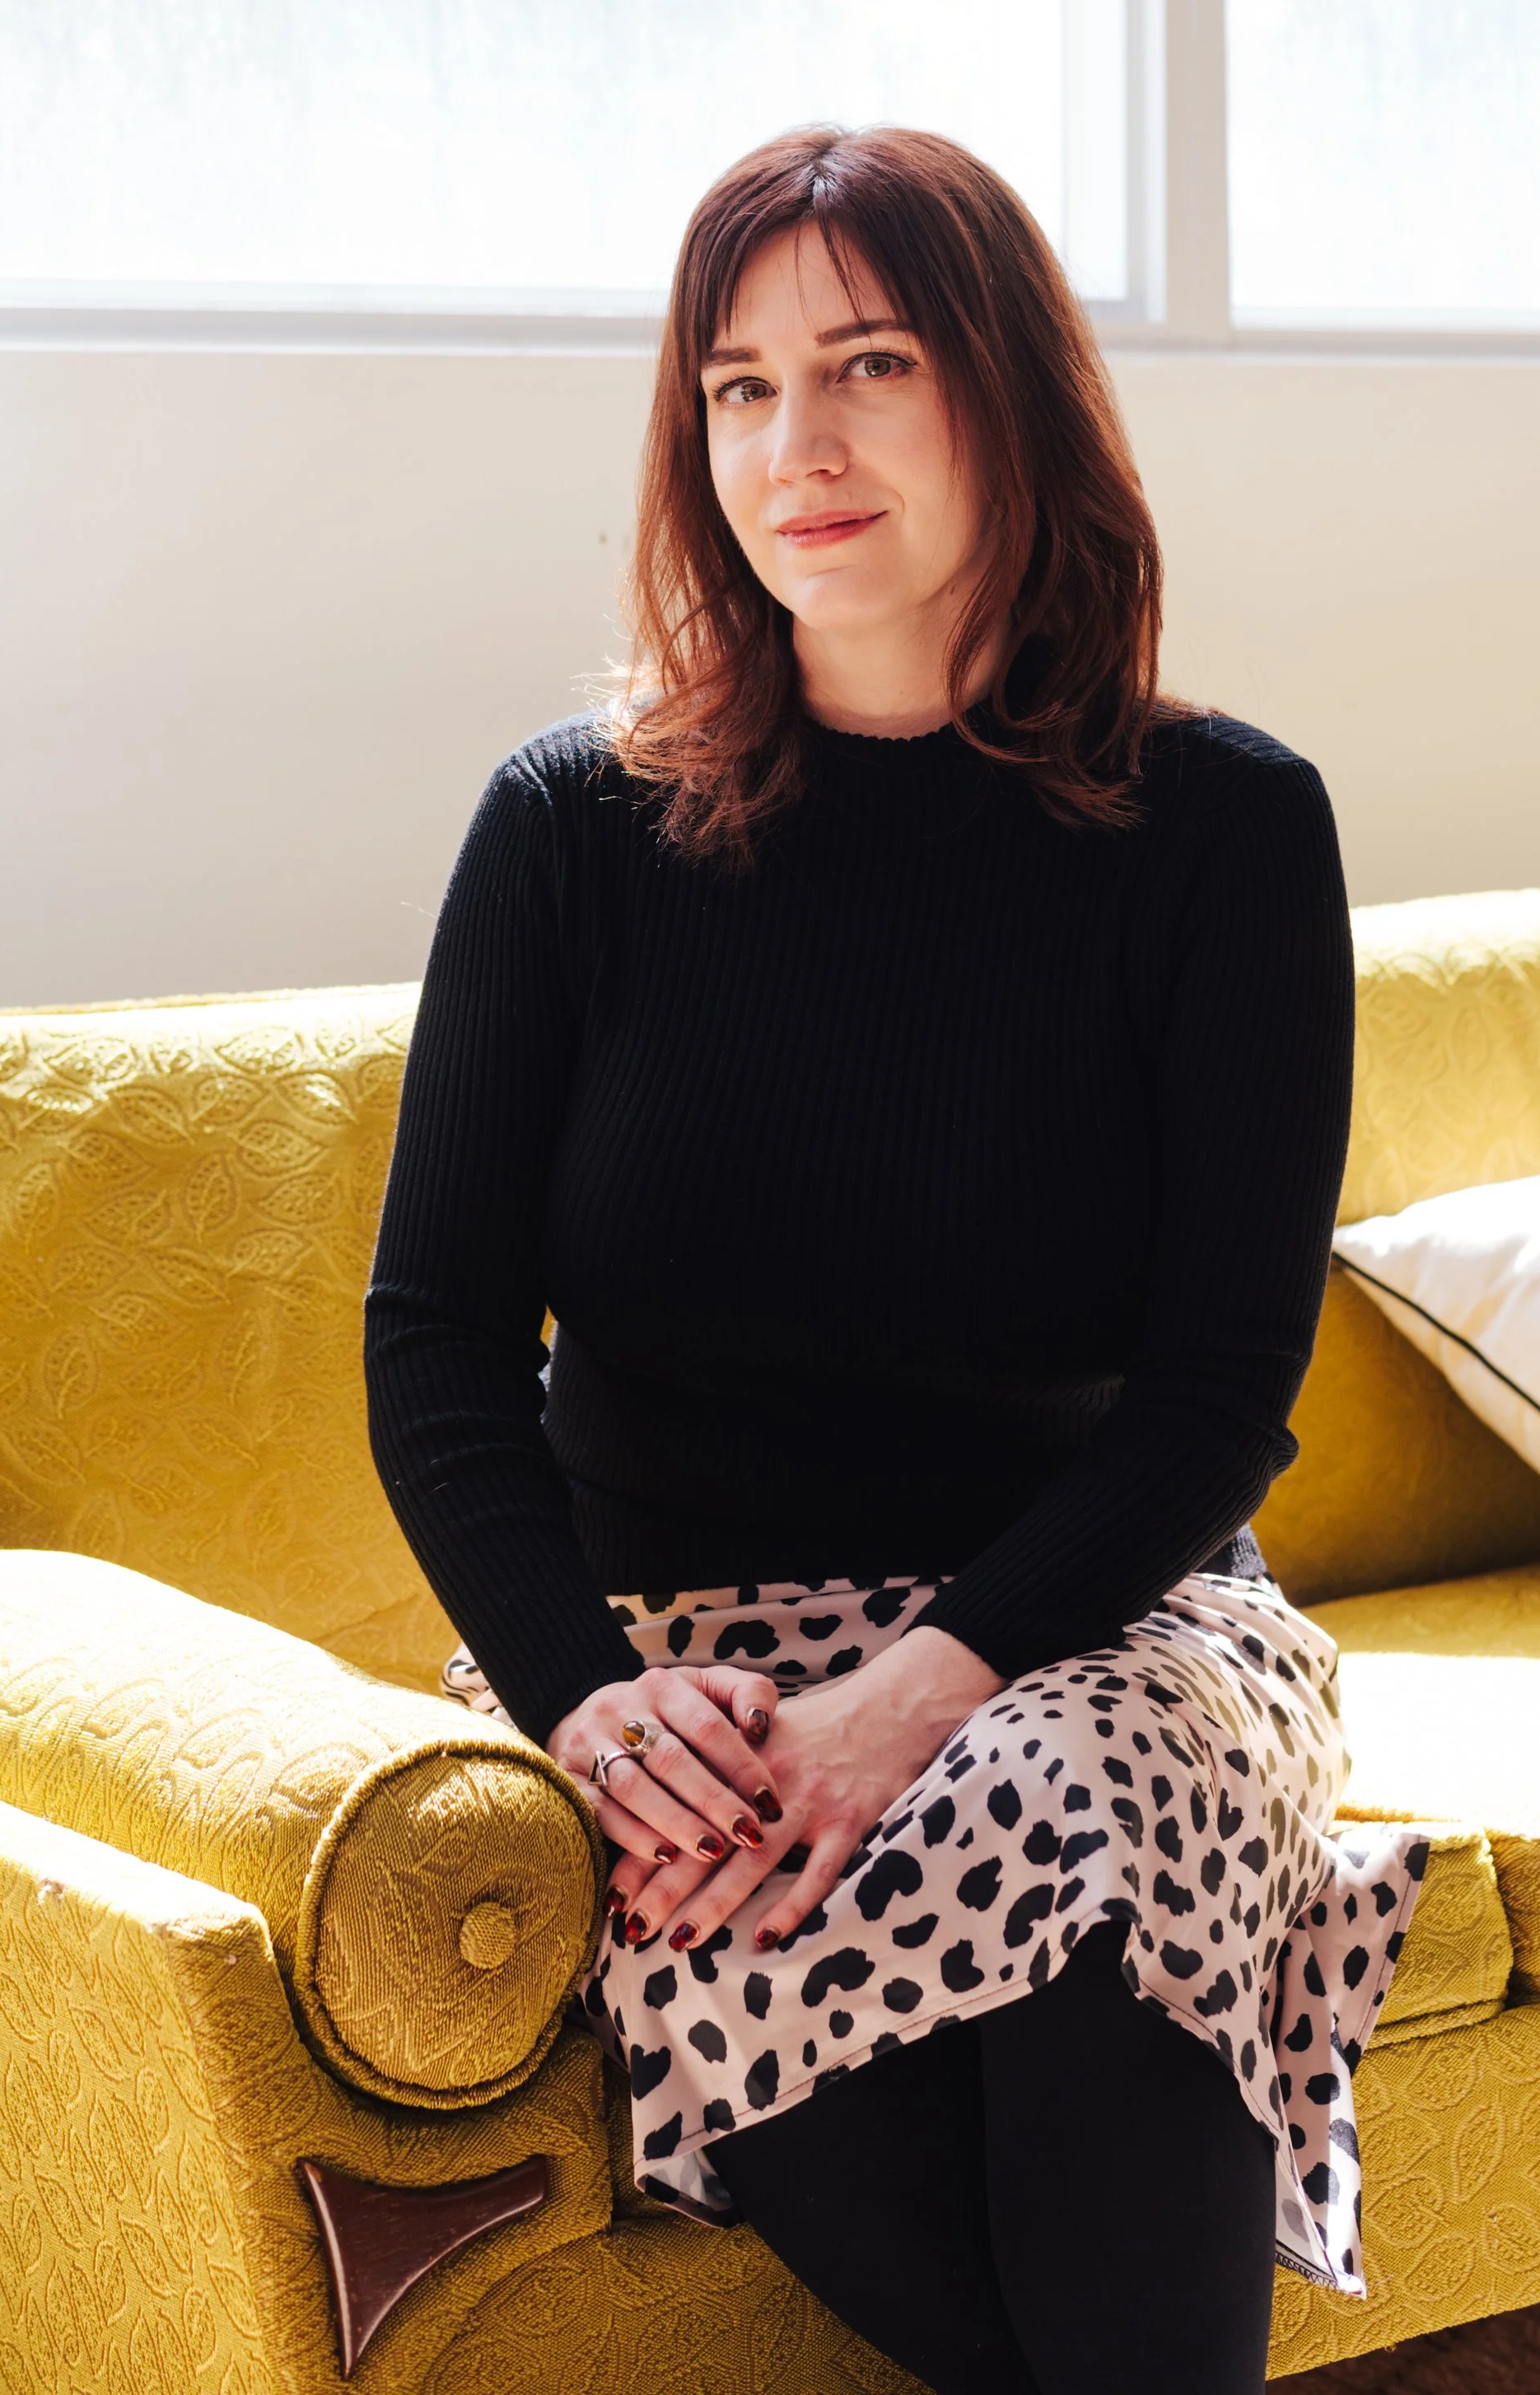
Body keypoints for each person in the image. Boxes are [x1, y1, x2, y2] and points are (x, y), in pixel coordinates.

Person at [366, 124, 1424, 2395]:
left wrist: (924, 1689)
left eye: (866, 363)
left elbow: (1219, 1383)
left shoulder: (1225, 829)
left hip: (1088, 1630)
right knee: (848, 1977)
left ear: (1005, 400)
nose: (796, 446)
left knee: (1090, 1826)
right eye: (736, 388)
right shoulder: (569, 829)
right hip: (675, 1674)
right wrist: (582, 1696)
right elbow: (438, 1342)